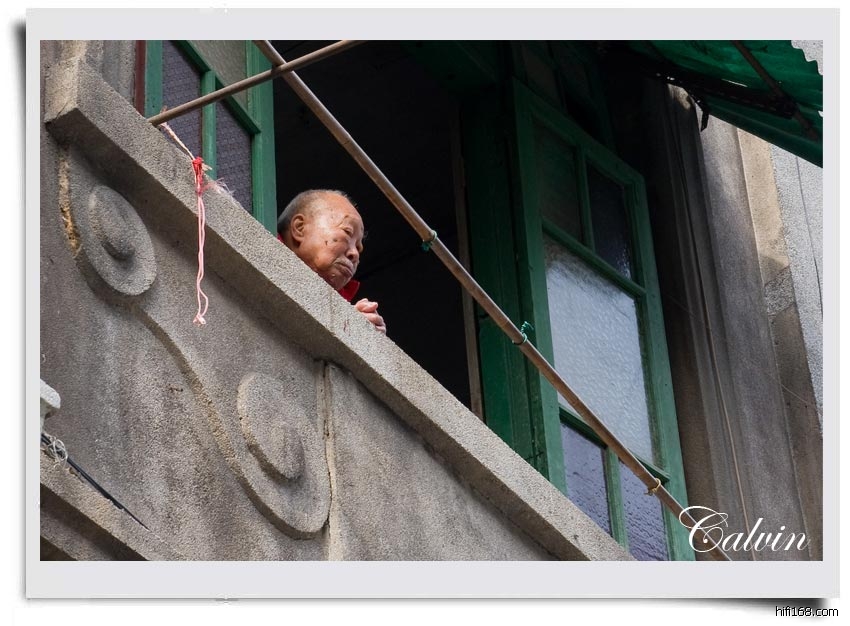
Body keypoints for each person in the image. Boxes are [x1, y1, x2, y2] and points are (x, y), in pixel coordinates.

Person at [277, 190, 386, 334]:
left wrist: (360, 333)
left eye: (358, 247)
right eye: (347, 232)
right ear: (299, 228)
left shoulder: (342, 308)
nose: (354, 254)